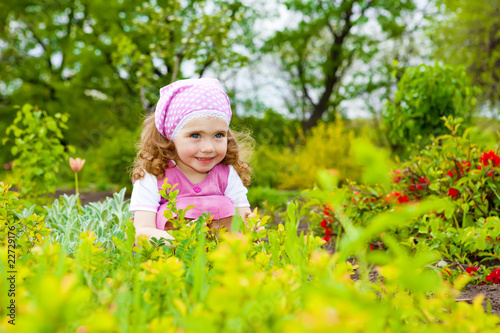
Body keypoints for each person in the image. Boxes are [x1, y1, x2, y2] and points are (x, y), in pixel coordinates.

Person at [130, 78, 253, 243]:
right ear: (171, 137)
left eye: (219, 135)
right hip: (172, 256)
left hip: (223, 259)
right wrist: (178, 244)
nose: (208, 147)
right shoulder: (154, 174)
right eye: (195, 135)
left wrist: (253, 231)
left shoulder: (226, 173)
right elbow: (142, 230)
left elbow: (245, 222)